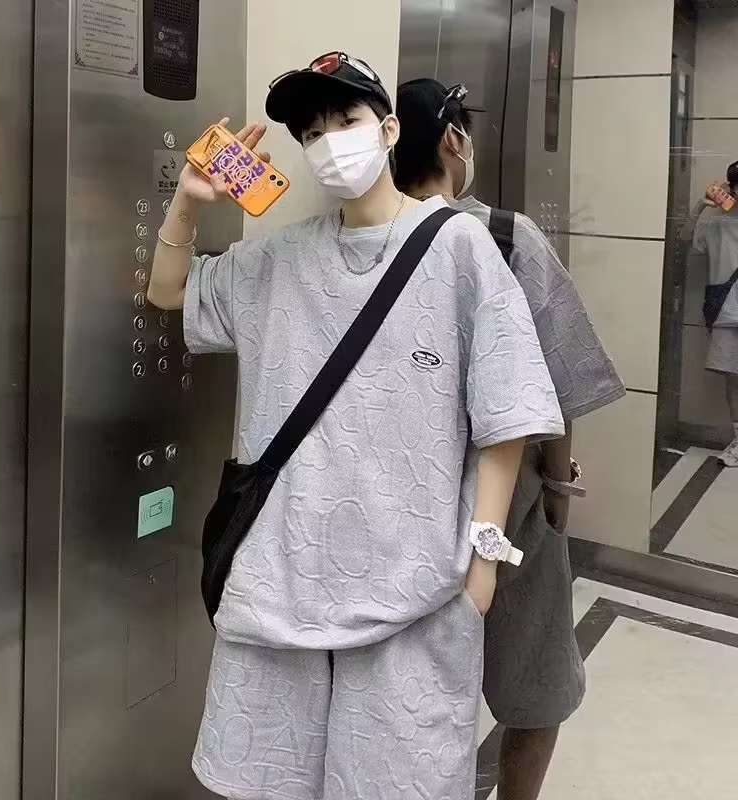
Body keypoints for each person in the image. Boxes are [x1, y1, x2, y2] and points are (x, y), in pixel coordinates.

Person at [148, 53, 565, 799]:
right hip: (280, 589)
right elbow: (170, 292)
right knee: (268, 785)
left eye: (347, 120)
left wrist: (482, 565)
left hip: (415, 596)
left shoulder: (458, 247)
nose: (330, 142)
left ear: (389, 129)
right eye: (313, 132)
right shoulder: (279, 258)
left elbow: (507, 414)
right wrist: (188, 201)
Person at [394, 78, 625, 800]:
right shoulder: (503, 237)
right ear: (454, 140)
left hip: (399, 498)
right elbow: (557, 381)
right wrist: (557, 483)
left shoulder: (362, 240)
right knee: (536, 679)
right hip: (511, 499)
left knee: (407, 692)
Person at [685, 161, 738, 466]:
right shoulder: (717, 226)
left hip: (727, 312)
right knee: (734, 383)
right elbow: (683, 241)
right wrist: (700, 206)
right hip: (727, 313)